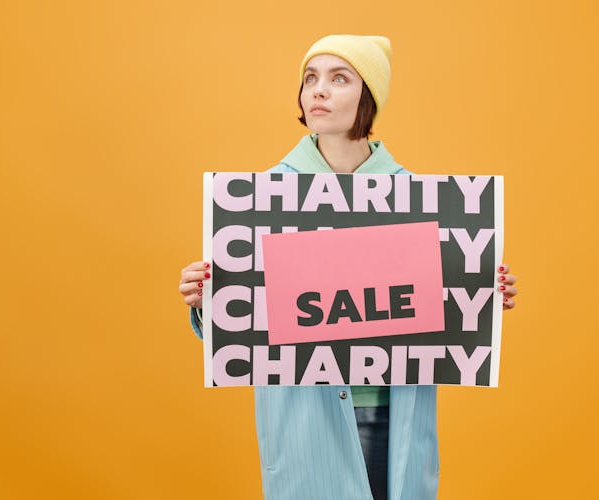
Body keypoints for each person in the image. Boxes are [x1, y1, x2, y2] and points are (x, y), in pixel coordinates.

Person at [179, 34, 518, 500]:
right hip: (305, 418)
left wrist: (483, 292)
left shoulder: (417, 197)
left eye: (340, 78)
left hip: (388, 411)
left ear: (368, 97)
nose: (319, 90)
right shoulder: (261, 197)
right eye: (310, 78)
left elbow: (440, 310)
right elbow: (245, 326)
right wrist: (207, 301)